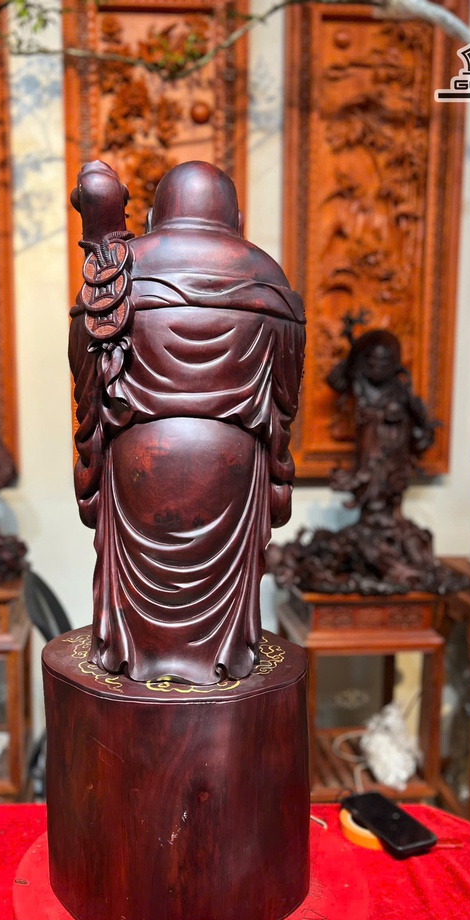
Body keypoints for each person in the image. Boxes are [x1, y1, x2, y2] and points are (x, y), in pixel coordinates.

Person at [70, 161, 306, 684]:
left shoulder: (123, 269)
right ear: (237, 220)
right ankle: (225, 656)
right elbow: (286, 396)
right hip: (232, 463)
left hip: (137, 457)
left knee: (130, 590)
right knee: (228, 603)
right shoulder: (266, 275)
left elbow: (86, 373)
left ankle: (128, 652)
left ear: (153, 217)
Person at [327, 329, 436, 516]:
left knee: (393, 483)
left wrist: (418, 431)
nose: (377, 366)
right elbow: (334, 381)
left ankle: (393, 515)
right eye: (372, 361)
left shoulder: (399, 388)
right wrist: (352, 356)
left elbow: (418, 418)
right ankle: (371, 515)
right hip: (370, 447)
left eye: (383, 362)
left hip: (395, 448)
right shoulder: (360, 383)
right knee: (369, 483)